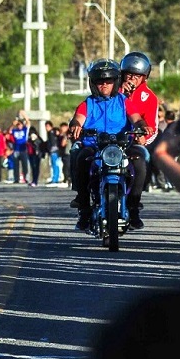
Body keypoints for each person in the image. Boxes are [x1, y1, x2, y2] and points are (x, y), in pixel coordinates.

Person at [67, 59, 149, 231]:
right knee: (81, 157)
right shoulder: (87, 103)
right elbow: (78, 119)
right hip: (94, 146)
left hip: (122, 145)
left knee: (140, 159)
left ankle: (134, 207)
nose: (104, 85)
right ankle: (84, 208)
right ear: (93, 84)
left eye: (108, 81)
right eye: (99, 81)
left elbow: (136, 119)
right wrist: (75, 126)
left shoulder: (124, 101)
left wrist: (142, 127)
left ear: (116, 82)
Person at [119, 51, 157, 227]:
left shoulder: (150, 98)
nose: (132, 78)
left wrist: (144, 138)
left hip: (132, 142)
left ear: (144, 77)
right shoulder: (110, 91)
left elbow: (152, 127)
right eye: (129, 74)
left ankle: (133, 207)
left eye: (137, 75)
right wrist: (120, 94)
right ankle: (86, 205)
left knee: (142, 162)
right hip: (109, 141)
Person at [9, 111, 30, 183]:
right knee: (16, 165)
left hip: (23, 149)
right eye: (18, 125)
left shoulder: (25, 130)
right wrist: (13, 124)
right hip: (16, 149)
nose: (19, 126)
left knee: (25, 165)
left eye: (20, 124)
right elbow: (9, 131)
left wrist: (24, 115)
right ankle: (16, 178)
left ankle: (26, 178)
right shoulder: (15, 130)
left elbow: (28, 123)